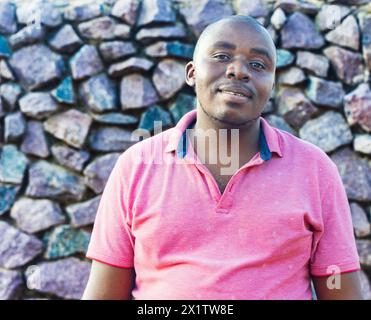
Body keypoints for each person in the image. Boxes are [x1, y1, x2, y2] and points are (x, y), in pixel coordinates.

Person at [82, 15, 363, 300]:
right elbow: (104, 294)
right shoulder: (137, 166)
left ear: (272, 85)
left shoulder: (314, 170)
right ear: (191, 72)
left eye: (258, 65)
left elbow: (340, 290)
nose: (238, 70)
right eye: (221, 56)